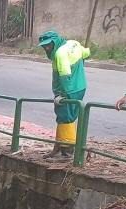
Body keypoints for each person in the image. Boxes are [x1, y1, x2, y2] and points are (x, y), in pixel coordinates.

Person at [38, 31, 90, 159]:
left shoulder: (60, 54)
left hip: (68, 89)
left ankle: (67, 151)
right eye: (44, 46)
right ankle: (59, 145)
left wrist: (63, 96)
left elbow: (65, 75)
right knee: (66, 117)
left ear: (55, 42)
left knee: (65, 117)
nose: (46, 48)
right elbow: (86, 53)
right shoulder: (73, 44)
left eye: (48, 45)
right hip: (80, 87)